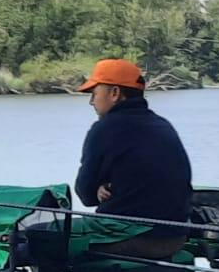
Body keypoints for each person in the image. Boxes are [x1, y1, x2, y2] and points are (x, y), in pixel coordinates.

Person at [75, 58, 193, 258]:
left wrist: (96, 189)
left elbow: (85, 194)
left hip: (132, 237)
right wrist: (102, 186)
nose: (91, 101)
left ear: (114, 93)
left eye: (94, 93)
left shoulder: (104, 129)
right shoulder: (163, 125)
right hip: (175, 238)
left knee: (40, 236)